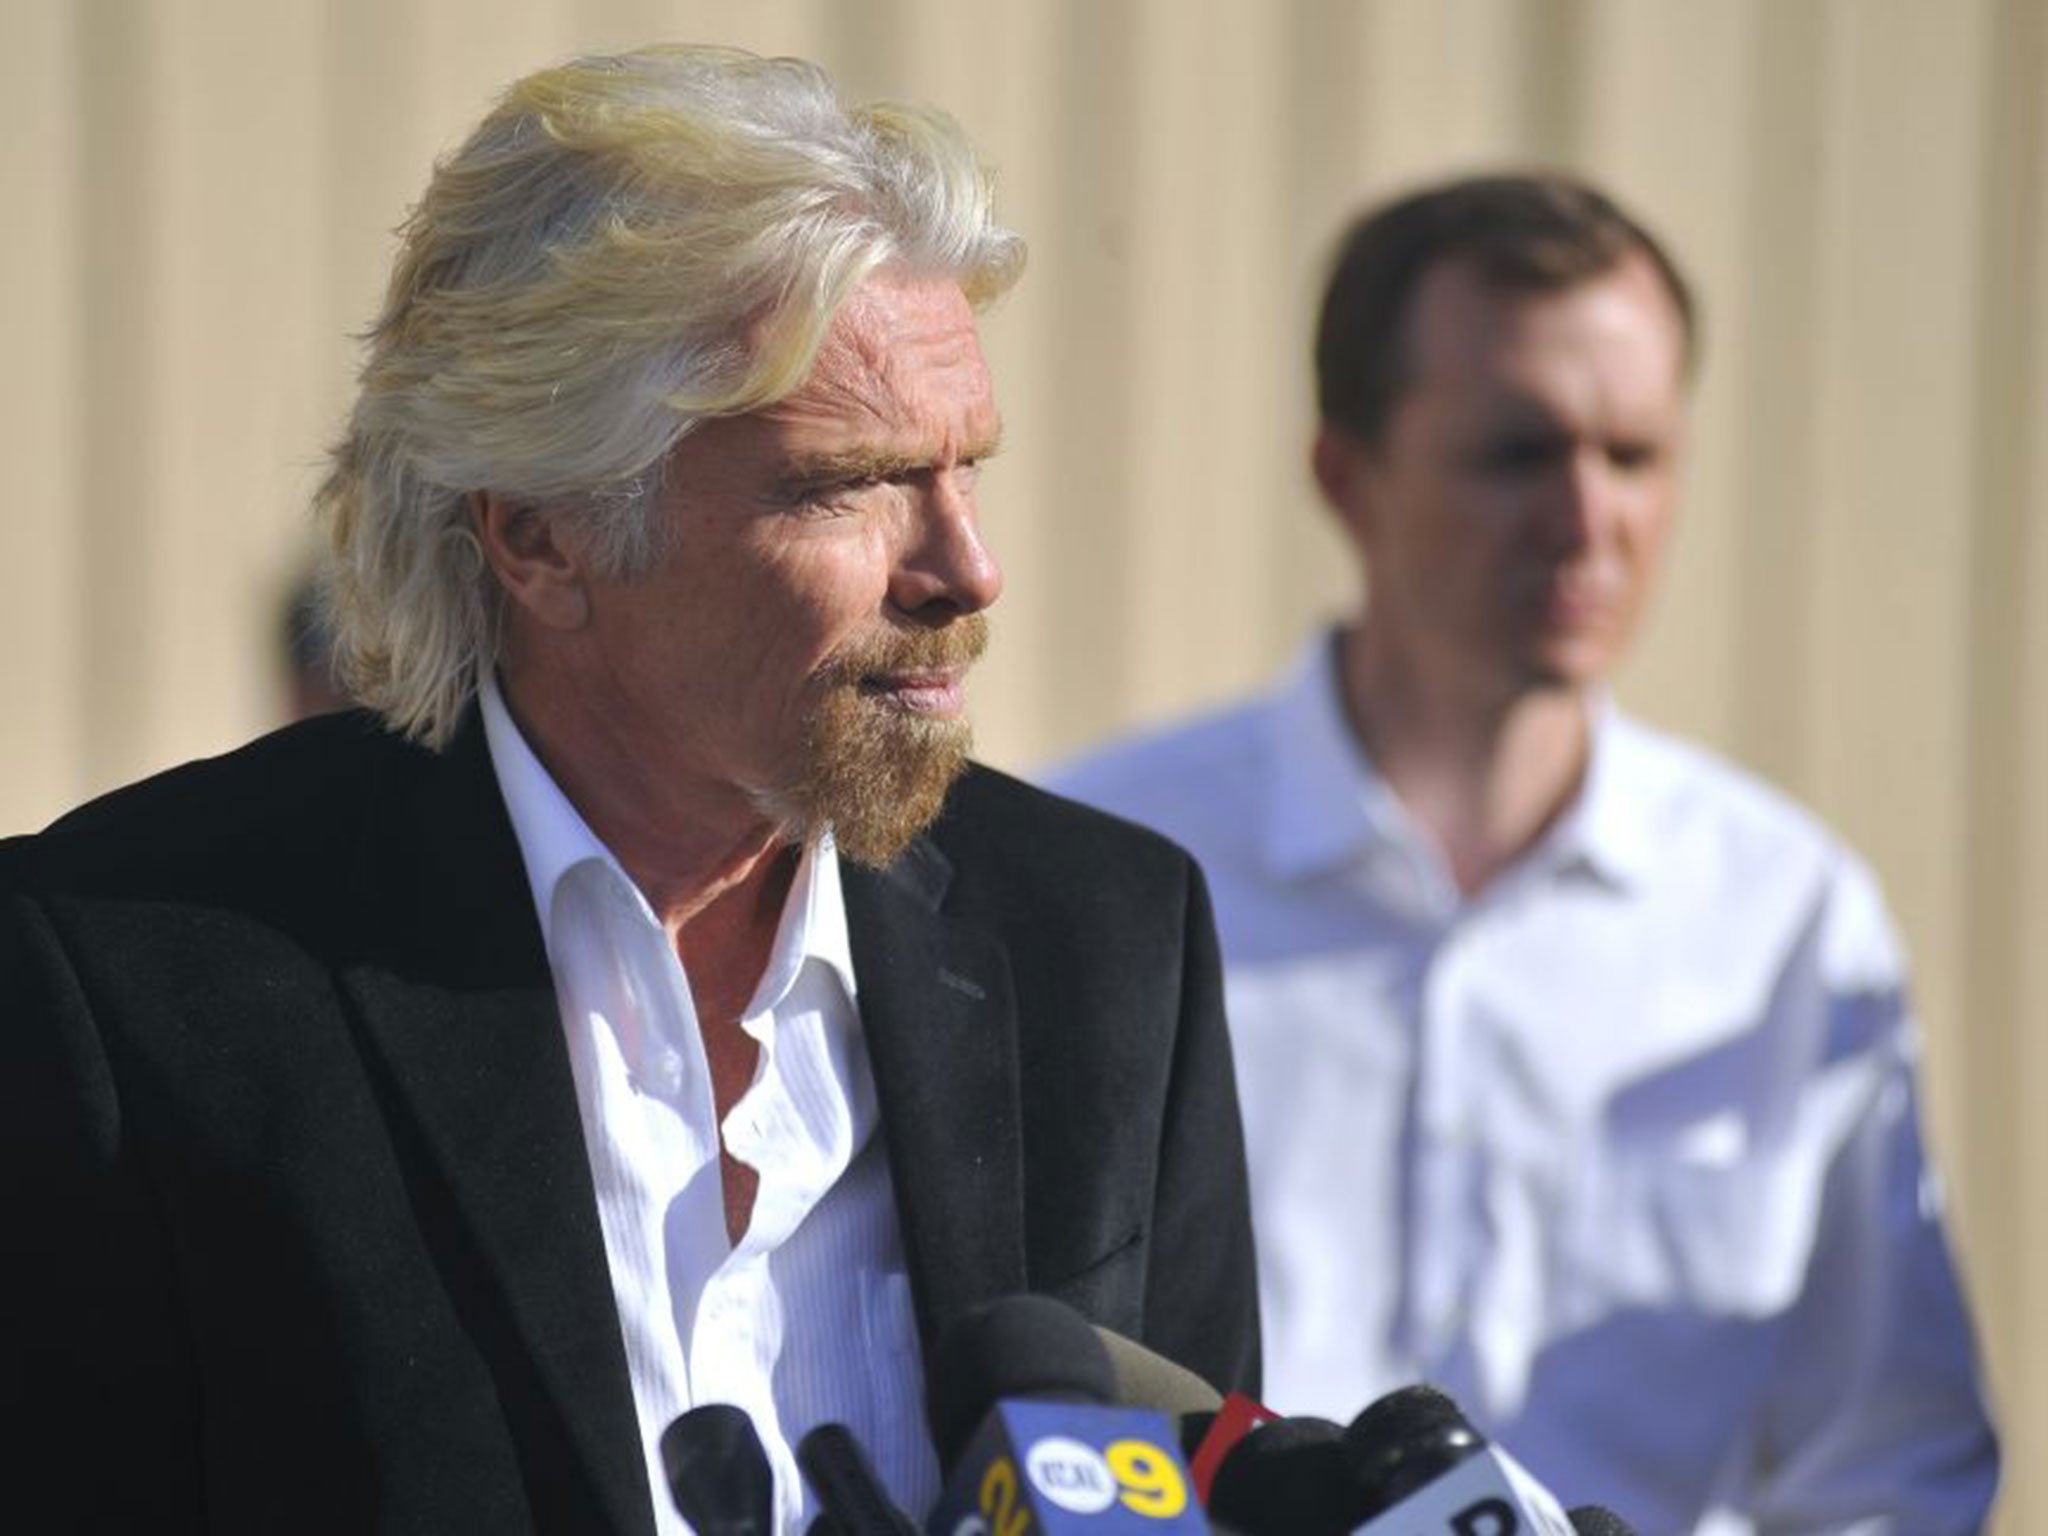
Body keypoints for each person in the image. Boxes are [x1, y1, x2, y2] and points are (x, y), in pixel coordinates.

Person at [0, 45, 1257, 1534]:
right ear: (540, 538)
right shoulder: (135, 981)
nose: (966, 569)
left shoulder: (1105, 942)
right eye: (844, 484)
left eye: (966, 466)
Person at [1050, 172, 1997, 1533]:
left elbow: (1892, 1468)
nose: (1585, 518)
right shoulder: (1115, 874)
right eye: (1516, 453)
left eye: (1635, 455)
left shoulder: (1785, 920)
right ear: (1345, 474)